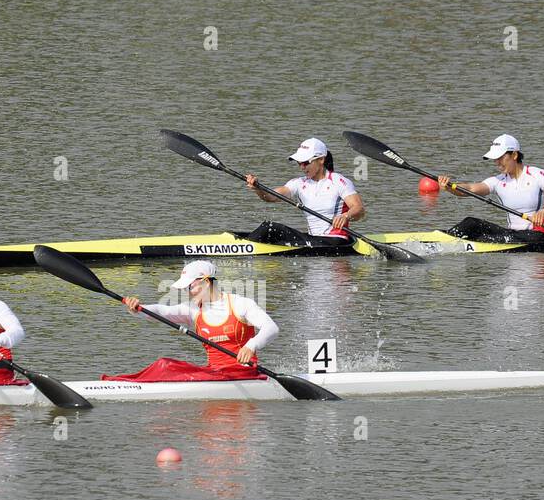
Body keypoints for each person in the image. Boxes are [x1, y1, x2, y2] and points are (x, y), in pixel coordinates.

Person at [121, 260, 278, 369]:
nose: (187, 293)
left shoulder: (240, 304)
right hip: (215, 374)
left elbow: (271, 328)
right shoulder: (193, 310)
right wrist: (138, 308)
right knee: (165, 364)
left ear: (206, 281)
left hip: (245, 372)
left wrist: (251, 346)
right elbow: (164, 311)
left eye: (190, 287)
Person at [437, 134, 544, 248]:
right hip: (512, 235)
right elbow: (470, 189)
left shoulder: (539, 175)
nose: (497, 163)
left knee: (491, 238)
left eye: (500, 157)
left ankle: (471, 243)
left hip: (539, 236)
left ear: (514, 155)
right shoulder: (497, 181)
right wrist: (450, 187)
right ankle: (440, 241)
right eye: (495, 159)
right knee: (471, 223)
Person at [242, 137, 365, 246]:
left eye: (306, 162)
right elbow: (271, 197)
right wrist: (258, 188)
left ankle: (242, 248)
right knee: (270, 231)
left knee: (269, 228)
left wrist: (346, 216)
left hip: (336, 241)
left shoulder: (339, 181)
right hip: (313, 240)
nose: (302, 167)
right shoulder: (299, 183)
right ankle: (245, 245)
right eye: (299, 163)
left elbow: (359, 209)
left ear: (321, 160)